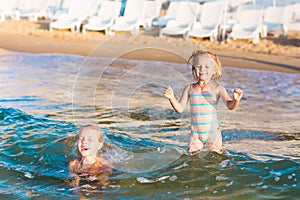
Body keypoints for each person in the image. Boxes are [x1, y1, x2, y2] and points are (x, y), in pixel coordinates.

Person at [164, 49, 243, 153]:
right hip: (195, 134)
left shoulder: (218, 89)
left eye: (207, 67)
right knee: (191, 156)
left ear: (214, 70)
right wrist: (172, 98)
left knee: (216, 157)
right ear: (194, 68)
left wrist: (235, 100)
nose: (202, 69)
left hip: (213, 133)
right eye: (198, 66)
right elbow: (180, 108)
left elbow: (230, 105)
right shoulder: (189, 88)